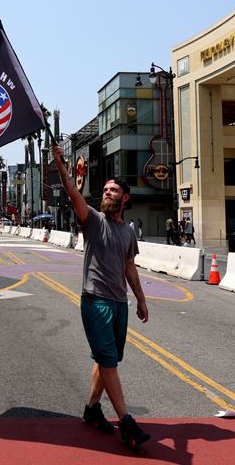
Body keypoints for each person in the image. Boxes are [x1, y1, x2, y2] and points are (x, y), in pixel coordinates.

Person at [52, 144, 151, 448]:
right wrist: (60, 164)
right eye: (105, 189)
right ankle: (127, 423)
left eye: (113, 190)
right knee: (109, 361)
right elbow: (72, 191)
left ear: (125, 198)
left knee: (105, 359)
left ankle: (92, 409)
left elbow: (129, 266)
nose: (107, 192)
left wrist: (141, 299)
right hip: (94, 300)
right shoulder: (93, 220)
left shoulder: (128, 232)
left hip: (119, 303)